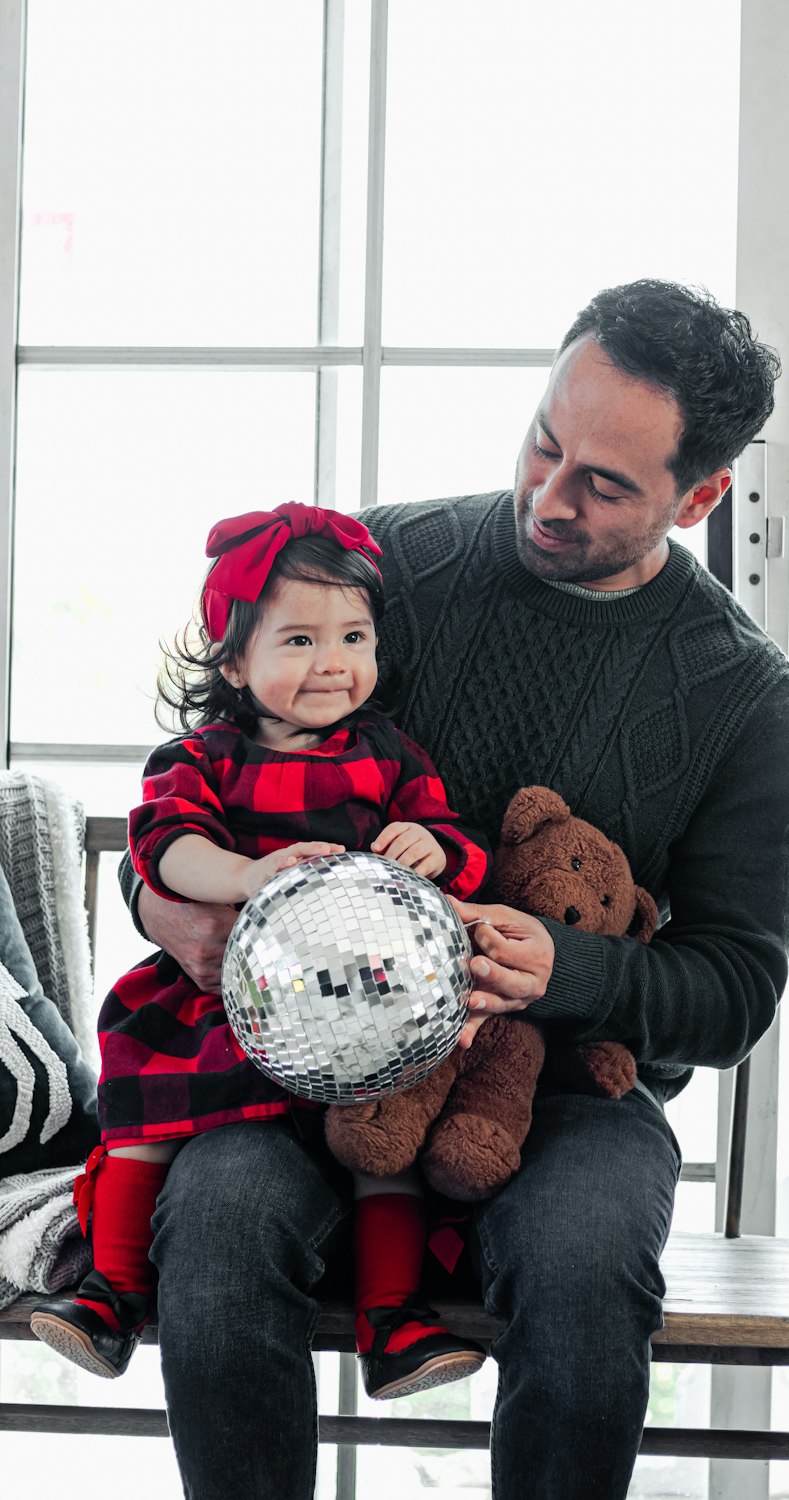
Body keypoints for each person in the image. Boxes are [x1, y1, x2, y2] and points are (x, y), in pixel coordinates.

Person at [120, 279, 789, 1500]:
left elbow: (737, 988)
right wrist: (166, 907)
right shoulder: (390, 569)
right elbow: (204, 780)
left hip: (559, 1093)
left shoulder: (743, 696)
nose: (548, 495)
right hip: (302, 1066)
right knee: (219, 1225)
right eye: (545, 440)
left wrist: (570, 968)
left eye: (604, 483)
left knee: (585, 1268)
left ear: (699, 499)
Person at [29, 503, 491, 1400]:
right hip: (225, 996)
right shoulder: (203, 759)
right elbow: (164, 848)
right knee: (155, 1116)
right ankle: (110, 1290)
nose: (332, 664)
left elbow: (453, 843)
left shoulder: (389, 758)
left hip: (363, 1004)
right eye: (299, 641)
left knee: (378, 1144)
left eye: (354, 636)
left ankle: (392, 1318)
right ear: (234, 661)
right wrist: (246, 876)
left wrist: (434, 850)